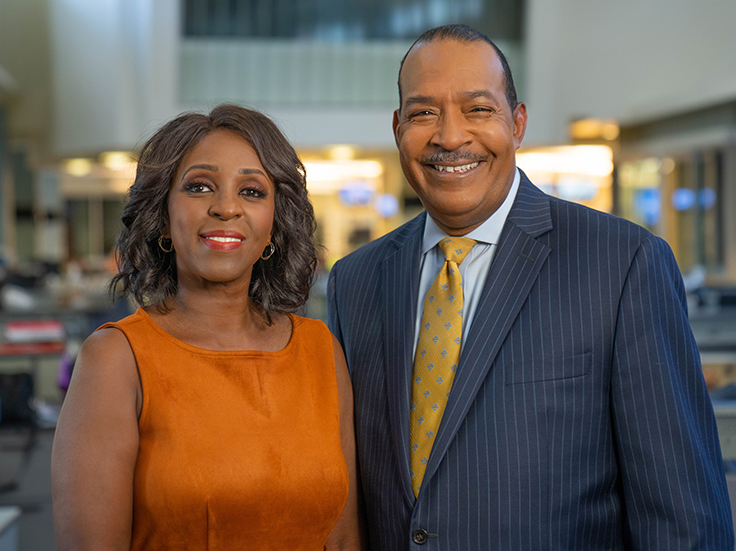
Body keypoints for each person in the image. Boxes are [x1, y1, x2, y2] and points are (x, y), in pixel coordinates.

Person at [327, 24, 734, 550]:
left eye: (478, 109)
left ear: (517, 124)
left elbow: (685, 522)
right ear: (397, 127)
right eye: (424, 112)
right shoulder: (355, 282)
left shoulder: (623, 265)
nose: (450, 137)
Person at [52, 105, 362, 550]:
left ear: (274, 223)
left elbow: (346, 537)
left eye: (252, 191)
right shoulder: (116, 360)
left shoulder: (320, 351)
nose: (226, 207)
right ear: (162, 214)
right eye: (199, 187)